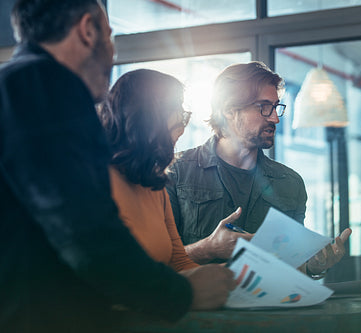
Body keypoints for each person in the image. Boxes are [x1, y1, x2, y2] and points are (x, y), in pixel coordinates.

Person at [0, 1, 232, 332]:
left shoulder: (15, 82)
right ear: (87, 30)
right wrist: (182, 293)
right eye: (111, 37)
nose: (112, 55)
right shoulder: (44, 83)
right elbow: (86, 232)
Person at [167, 61, 351, 278]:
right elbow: (155, 264)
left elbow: (291, 267)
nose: (274, 118)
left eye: (276, 107)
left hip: (268, 310)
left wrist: (313, 266)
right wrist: (209, 248)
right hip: (199, 308)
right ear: (229, 109)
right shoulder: (175, 172)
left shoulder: (290, 182)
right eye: (263, 107)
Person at [99, 68, 235, 307]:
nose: (182, 127)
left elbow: (178, 264)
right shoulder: (95, 182)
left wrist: (237, 277)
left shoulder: (154, 184)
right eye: (179, 113)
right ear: (150, 117)